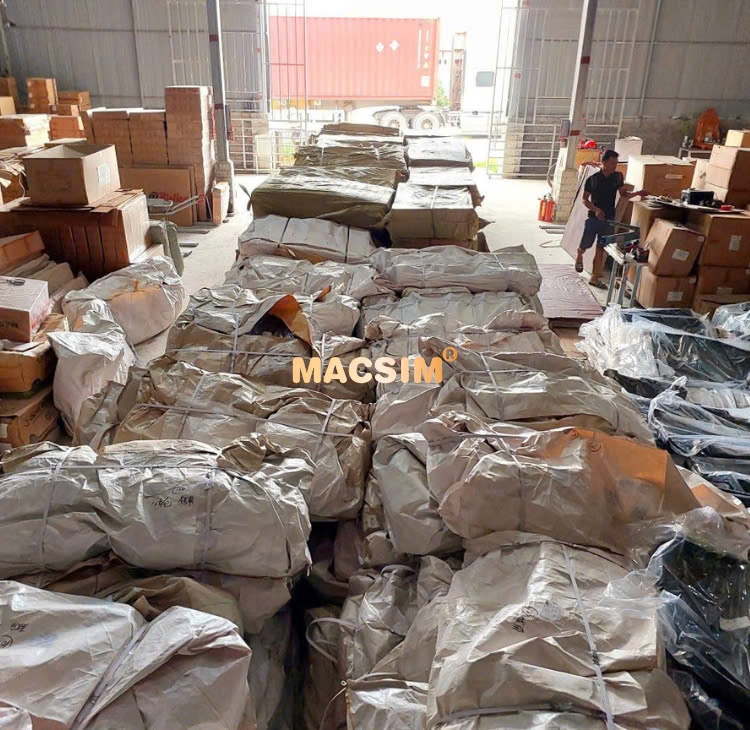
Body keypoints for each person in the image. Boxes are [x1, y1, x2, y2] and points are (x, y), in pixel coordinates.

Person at [575, 149, 647, 286]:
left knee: (601, 248)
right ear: (604, 163)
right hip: (594, 218)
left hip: (609, 218)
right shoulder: (593, 180)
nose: (615, 166)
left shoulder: (617, 177)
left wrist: (638, 193)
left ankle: (594, 278)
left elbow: (623, 194)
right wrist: (596, 210)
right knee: (586, 244)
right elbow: (584, 200)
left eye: (616, 163)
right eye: (612, 163)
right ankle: (579, 254)